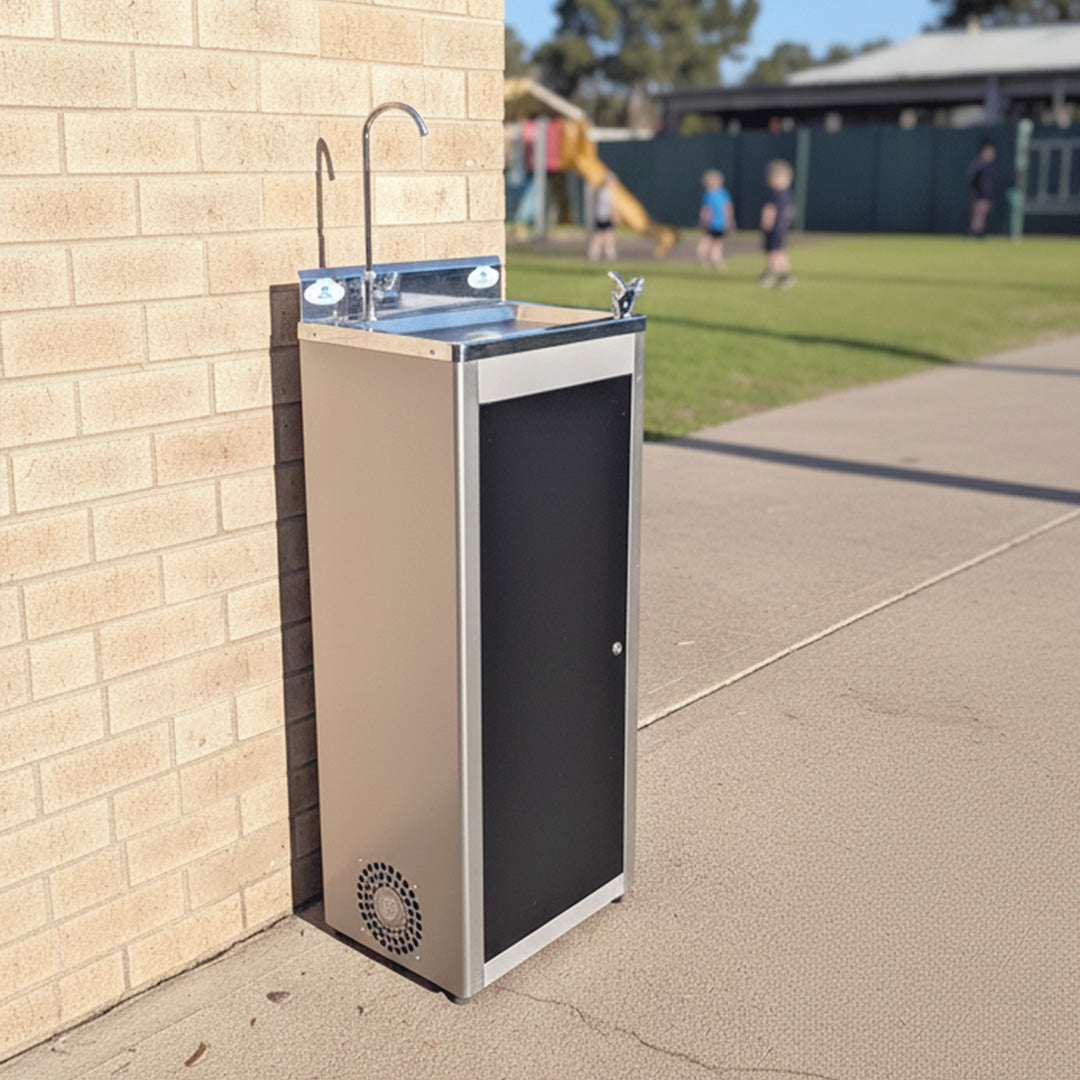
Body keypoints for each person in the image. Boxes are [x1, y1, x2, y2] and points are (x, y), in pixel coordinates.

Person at [759, 158, 796, 289]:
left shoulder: (775, 195)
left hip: (775, 229)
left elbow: (769, 211)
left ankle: (778, 275)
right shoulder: (789, 194)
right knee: (779, 252)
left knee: (774, 253)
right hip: (782, 229)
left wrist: (766, 224)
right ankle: (776, 274)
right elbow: (792, 212)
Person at [697, 169, 736, 268]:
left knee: (713, 241)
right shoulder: (712, 194)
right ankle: (710, 258)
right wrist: (730, 220)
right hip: (715, 223)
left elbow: (726, 208)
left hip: (718, 223)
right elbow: (708, 210)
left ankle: (712, 258)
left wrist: (703, 220)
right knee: (714, 241)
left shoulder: (719, 194)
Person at [968, 139, 996, 238]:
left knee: (982, 214)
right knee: (978, 214)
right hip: (979, 194)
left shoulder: (989, 166)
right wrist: (976, 193)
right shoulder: (979, 164)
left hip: (986, 195)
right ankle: (975, 232)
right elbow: (973, 181)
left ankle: (979, 231)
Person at [588, 172, 619, 262]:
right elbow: (611, 207)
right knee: (608, 238)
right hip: (606, 218)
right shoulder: (608, 193)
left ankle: (594, 254)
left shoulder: (601, 192)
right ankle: (609, 255)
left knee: (599, 237)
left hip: (600, 217)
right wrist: (615, 216)